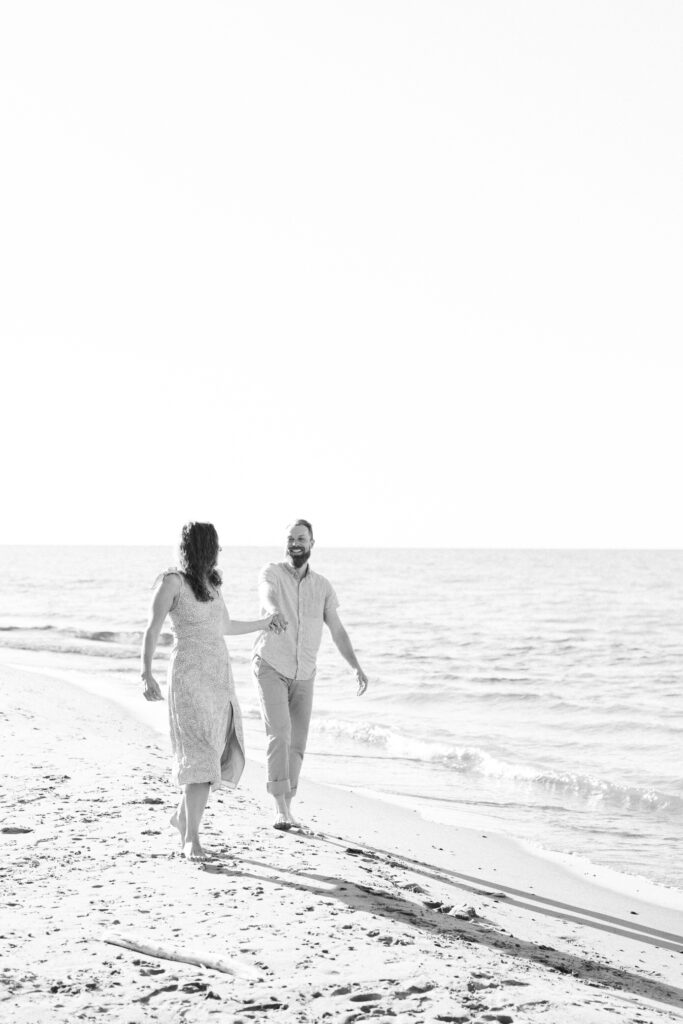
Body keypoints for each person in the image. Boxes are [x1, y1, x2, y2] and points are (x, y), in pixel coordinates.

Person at [141, 522, 277, 860]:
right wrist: (146, 674)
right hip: (188, 678)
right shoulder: (172, 582)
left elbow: (225, 627)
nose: (219, 552)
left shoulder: (212, 584)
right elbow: (152, 629)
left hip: (219, 678)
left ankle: (181, 817)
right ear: (202, 547)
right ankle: (191, 840)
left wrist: (264, 623)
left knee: (211, 752)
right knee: (200, 754)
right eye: (215, 546)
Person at [252, 519, 368, 830]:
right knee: (279, 732)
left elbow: (338, 630)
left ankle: (288, 806)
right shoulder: (272, 572)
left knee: (298, 743)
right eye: (291, 538)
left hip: (305, 672)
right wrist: (273, 610)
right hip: (271, 664)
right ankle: (278, 806)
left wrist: (355, 665)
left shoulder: (323, 587)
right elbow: (266, 594)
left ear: (312, 543)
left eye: (301, 538)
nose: (295, 543)